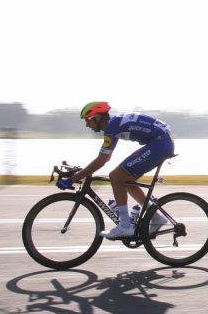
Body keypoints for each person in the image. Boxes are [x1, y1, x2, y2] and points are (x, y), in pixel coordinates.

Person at [60, 101, 176, 239]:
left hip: (160, 143)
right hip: (161, 142)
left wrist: (73, 179)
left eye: (88, 120)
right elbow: (103, 158)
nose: (87, 125)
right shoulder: (114, 124)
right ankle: (156, 217)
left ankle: (125, 226)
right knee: (126, 180)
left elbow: (103, 159)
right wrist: (80, 173)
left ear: (97, 117)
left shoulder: (112, 126)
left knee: (115, 176)